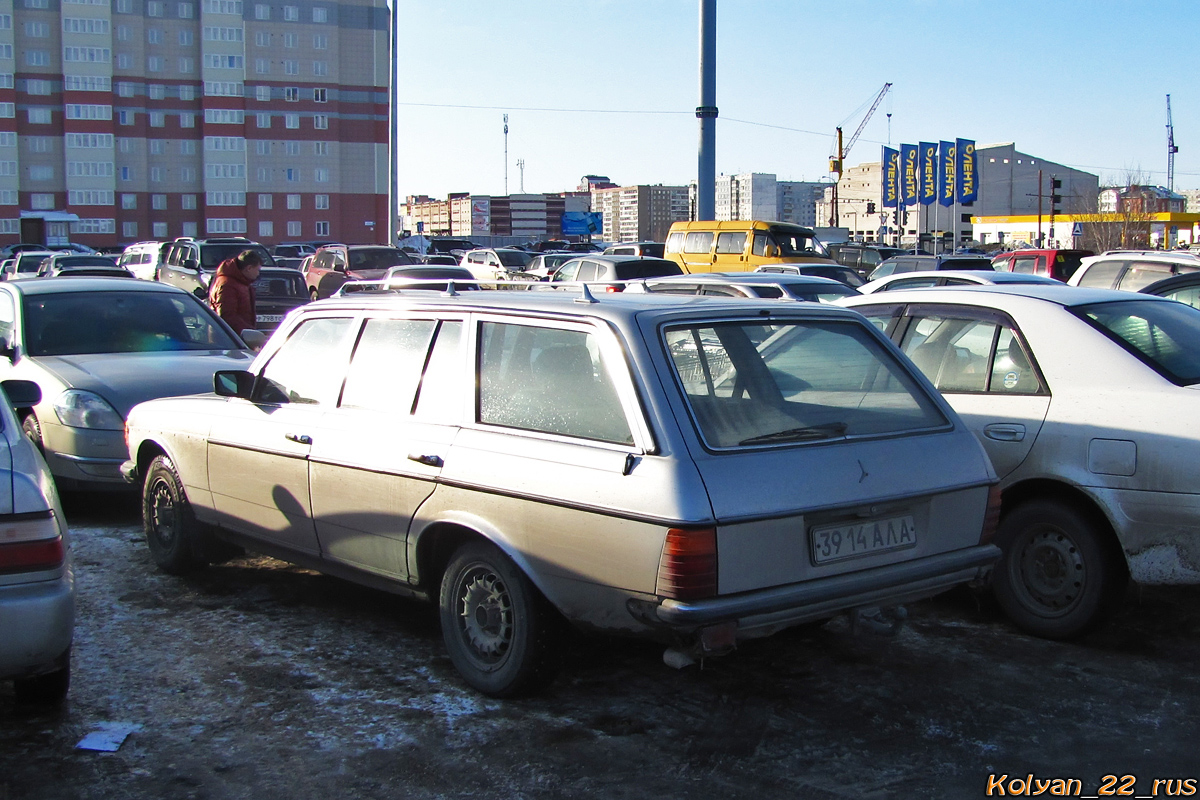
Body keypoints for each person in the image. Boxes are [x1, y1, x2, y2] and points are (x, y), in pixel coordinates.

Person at [209, 249, 262, 334]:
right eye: (257, 270)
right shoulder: (228, 285)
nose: (258, 273)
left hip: (236, 337)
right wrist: (248, 331)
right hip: (228, 339)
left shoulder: (240, 282)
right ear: (249, 268)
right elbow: (227, 316)